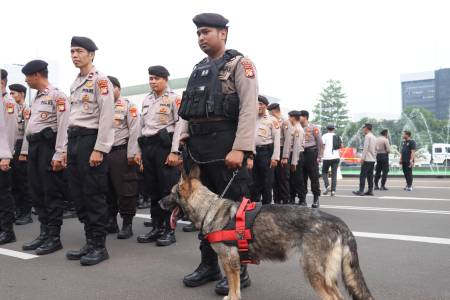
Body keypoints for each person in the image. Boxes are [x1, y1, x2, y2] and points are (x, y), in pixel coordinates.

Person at [178, 13, 258, 296]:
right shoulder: (198, 68)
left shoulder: (240, 64)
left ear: (223, 33)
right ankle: (208, 265)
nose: (201, 37)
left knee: (233, 211)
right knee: (203, 212)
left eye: (206, 32)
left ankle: (240, 271)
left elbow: (249, 108)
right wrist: (181, 140)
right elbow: (186, 110)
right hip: (197, 149)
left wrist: (241, 147)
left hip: (226, 145)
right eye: (198, 33)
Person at [65, 36, 115, 266]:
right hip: (75, 140)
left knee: (93, 194)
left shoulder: (101, 81)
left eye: (79, 51)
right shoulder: (75, 82)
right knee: (78, 194)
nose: (75, 55)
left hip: (90, 141)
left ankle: (99, 245)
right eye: (72, 51)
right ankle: (89, 241)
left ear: (91, 54)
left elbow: (106, 116)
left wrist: (100, 148)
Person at [19, 60, 69, 255]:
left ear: (37, 75)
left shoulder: (57, 95)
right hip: (34, 147)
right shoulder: (37, 98)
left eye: (28, 76)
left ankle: (54, 237)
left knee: (51, 192)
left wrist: (60, 153)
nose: (26, 80)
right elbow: (31, 128)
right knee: (37, 191)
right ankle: (44, 232)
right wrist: (25, 151)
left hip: (49, 148)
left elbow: (64, 127)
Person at [136, 66, 183, 247]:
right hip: (148, 146)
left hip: (165, 147)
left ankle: (169, 230)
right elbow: (141, 126)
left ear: (165, 79)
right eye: (150, 78)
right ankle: (156, 227)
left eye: (156, 78)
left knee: (167, 190)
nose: (152, 81)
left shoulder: (174, 99)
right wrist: (139, 152)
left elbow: (180, 125)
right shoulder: (146, 99)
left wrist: (175, 151)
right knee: (153, 190)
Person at [105, 76, 140, 239]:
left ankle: (127, 224)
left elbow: (134, 131)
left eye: (112, 87)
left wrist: (132, 154)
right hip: (104, 153)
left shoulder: (128, 106)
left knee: (126, 190)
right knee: (106, 190)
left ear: (118, 88)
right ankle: (111, 222)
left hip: (121, 152)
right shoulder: (101, 106)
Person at [9, 83, 33, 224]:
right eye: (10, 93)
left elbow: (27, 132)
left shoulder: (26, 109)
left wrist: (24, 151)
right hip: (11, 147)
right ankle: (17, 209)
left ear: (22, 94)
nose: (11, 96)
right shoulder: (11, 109)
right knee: (13, 182)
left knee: (23, 181)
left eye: (14, 93)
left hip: (20, 146)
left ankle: (26, 213)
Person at [250, 96, 280, 204]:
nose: (258, 106)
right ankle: (254, 208)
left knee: (267, 182)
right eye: (256, 103)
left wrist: (275, 158)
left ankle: (267, 208)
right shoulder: (251, 118)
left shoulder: (272, 120)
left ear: (266, 106)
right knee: (254, 183)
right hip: (253, 154)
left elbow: (277, 140)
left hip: (266, 153)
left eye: (261, 104)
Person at [0, 69, 18, 245]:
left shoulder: (8, 102)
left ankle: (7, 231)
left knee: (3, 195)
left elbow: (11, 131)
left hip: (2, 155)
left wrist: (7, 155)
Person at [298, 110, 322, 208]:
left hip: (311, 154)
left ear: (305, 117)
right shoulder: (297, 127)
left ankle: (316, 198)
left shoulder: (313, 127)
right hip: (301, 153)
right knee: (301, 178)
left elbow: (319, 142)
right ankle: (302, 199)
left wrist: (319, 156)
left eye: (300, 116)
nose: (298, 118)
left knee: (314, 177)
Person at [268, 103, 290, 204]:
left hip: (282, 151)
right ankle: (276, 200)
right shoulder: (273, 120)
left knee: (283, 178)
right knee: (274, 178)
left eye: (270, 111)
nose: (269, 113)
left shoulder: (285, 121)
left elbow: (287, 140)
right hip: (274, 150)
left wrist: (285, 156)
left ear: (274, 110)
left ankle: (285, 201)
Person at [286, 110, 305, 204]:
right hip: (294, 155)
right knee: (292, 179)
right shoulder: (294, 128)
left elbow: (297, 146)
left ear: (293, 117)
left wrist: (294, 162)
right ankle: (292, 198)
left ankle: (302, 199)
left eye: (289, 117)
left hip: (296, 155)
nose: (288, 119)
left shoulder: (297, 129)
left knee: (298, 179)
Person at [353, 123, 376, 196]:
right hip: (372, 159)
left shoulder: (367, 136)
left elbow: (365, 148)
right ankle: (370, 190)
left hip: (367, 159)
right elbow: (376, 149)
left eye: (364, 128)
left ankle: (361, 190)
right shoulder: (374, 137)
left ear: (366, 128)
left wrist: (362, 158)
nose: (363, 129)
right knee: (370, 176)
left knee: (362, 175)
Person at [321, 124, 341, 196]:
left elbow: (322, 147)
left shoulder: (324, 136)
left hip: (327, 157)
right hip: (336, 157)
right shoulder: (338, 136)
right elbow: (341, 146)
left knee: (324, 172)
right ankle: (333, 191)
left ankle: (327, 186)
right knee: (334, 174)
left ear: (327, 129)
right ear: (334, 129)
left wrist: (320, 156)